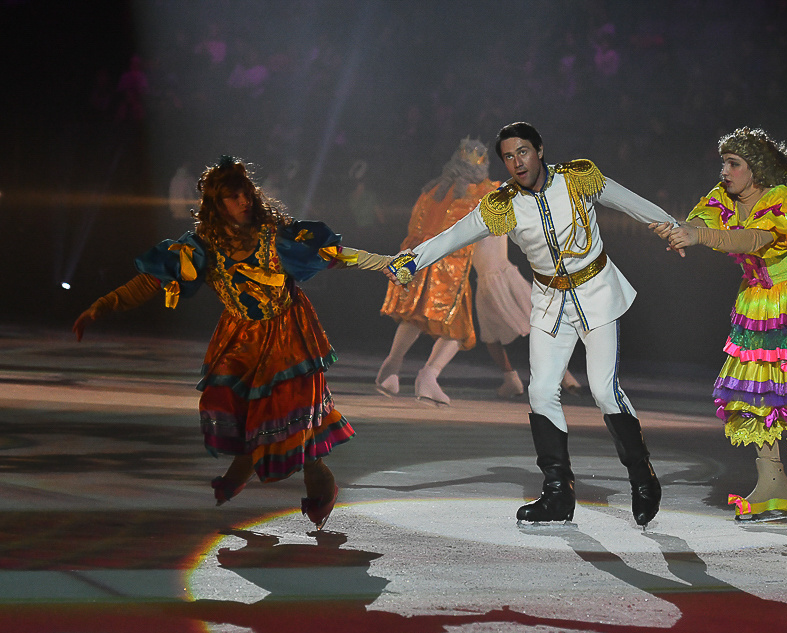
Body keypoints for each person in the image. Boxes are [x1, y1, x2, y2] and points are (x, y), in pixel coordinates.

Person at [73, 156, 393, 530]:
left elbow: (335, 256)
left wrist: (385, 262)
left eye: (245, 193)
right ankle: (241, 471)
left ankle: (314, 488)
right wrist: (104, 304)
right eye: (232, 196)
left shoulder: (276, 236)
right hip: (242, 338)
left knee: (295, 430)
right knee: (238, 411)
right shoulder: (202, 248)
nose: (243, 201)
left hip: (289, 337)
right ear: (216, 204)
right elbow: (151, 280)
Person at [385, 122, 677, 527]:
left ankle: (643, 479)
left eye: (522, 151)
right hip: (551, 302)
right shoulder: (502, 204)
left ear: (539, 150)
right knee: (540, 391)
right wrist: (413, 260)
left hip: (596, 293)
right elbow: (456, 234)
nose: (517, 162)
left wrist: (670, 225)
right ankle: (558, 493)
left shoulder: (576, 179)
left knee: (603, 390)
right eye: (508, 156)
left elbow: (628, 201)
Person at [654, 127, 787, 526]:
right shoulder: (723, 198)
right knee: (753, 394)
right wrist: (679, 229)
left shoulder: (785, 198)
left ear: (757, 168)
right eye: (724, 163)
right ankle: (772, 482)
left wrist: (698, 235)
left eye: (734, 164)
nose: (725, 171)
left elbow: (753, 240)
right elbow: (699, 220)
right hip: (756, 304)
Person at [376, 138, 497, 405]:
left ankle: (391, 367)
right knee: (459, 330)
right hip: (448, 266)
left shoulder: (433, 189)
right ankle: (428, 375)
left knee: (415, 318)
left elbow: (414, 227)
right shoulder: (483, 193)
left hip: (419, 259)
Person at [471, 233, 582, 398]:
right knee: (534, 324)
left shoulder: (474, 220)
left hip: (491, 281)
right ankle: (563, 374)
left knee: (491, 335)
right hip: (510, 276)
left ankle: (512, 379)